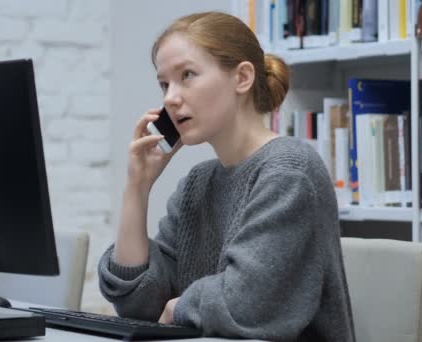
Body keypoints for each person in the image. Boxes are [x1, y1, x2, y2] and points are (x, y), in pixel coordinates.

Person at [98, 11, 355, 341]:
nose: (170, 98)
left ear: (242, 78)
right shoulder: (198, 184)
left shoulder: (290, 171)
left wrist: (177, 308)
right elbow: (137, 303)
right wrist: (138, 187)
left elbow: (247, 304)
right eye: (164, 83)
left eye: (187, 75)